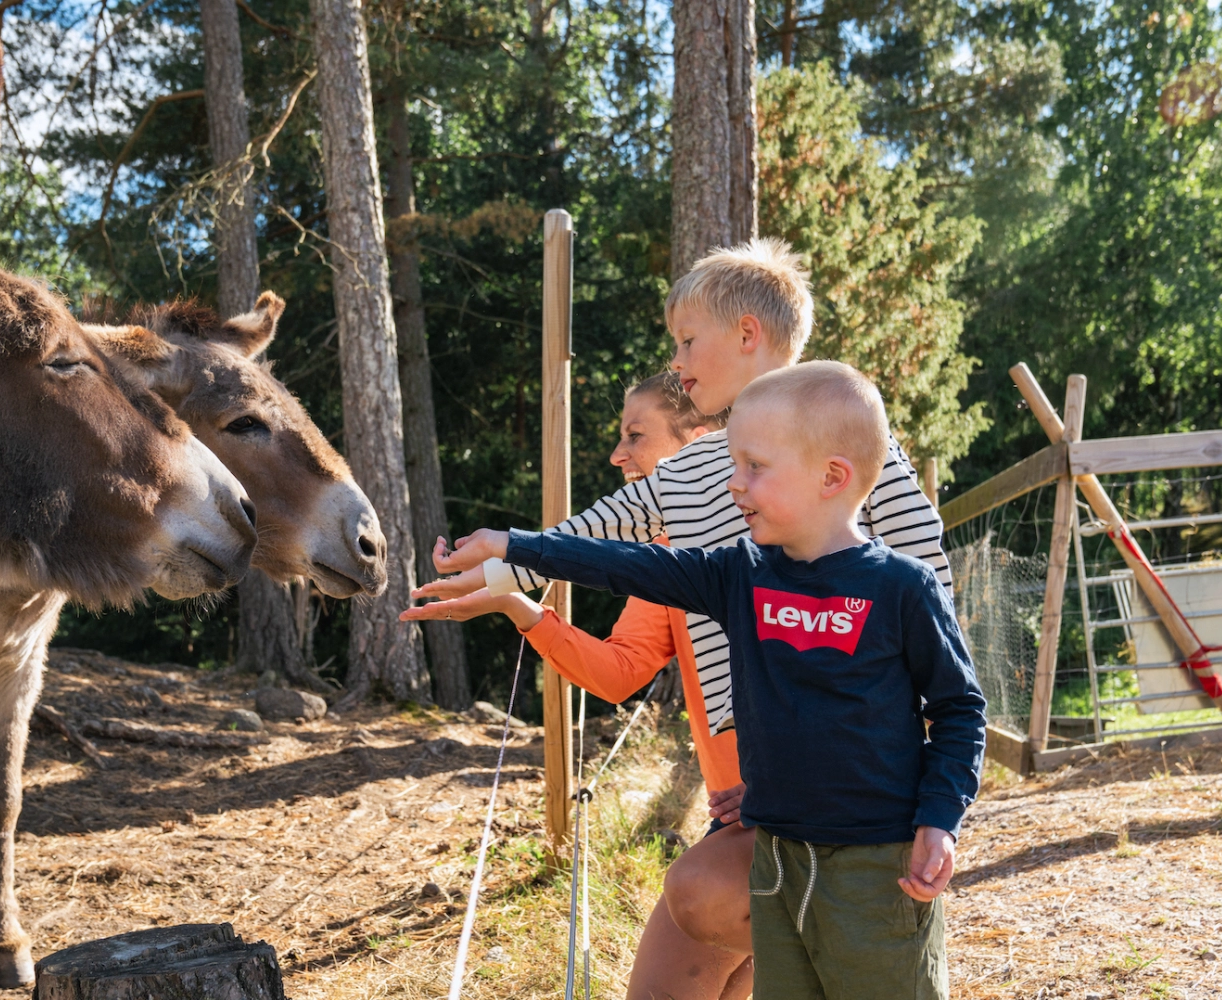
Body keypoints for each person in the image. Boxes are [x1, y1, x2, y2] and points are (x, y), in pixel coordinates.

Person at [403, 238, 951, 981]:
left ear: (748, 336)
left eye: (688, 341)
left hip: (850, 767)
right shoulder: (693, 467)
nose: (680, 362)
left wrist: (916, 780)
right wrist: (503, 563)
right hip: (752, 758)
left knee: (724, 926)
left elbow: (927, 575)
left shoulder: (844, 438)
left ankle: (861, 932)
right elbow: (604, 536)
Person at [407, 372, 753, 1000]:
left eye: (635, 435)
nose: (618, 455)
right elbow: (619, 671)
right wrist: (518, 607)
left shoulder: (766, 547)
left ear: (699, 444)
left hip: (777, 821)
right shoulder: (670, 558)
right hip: (743, 819)